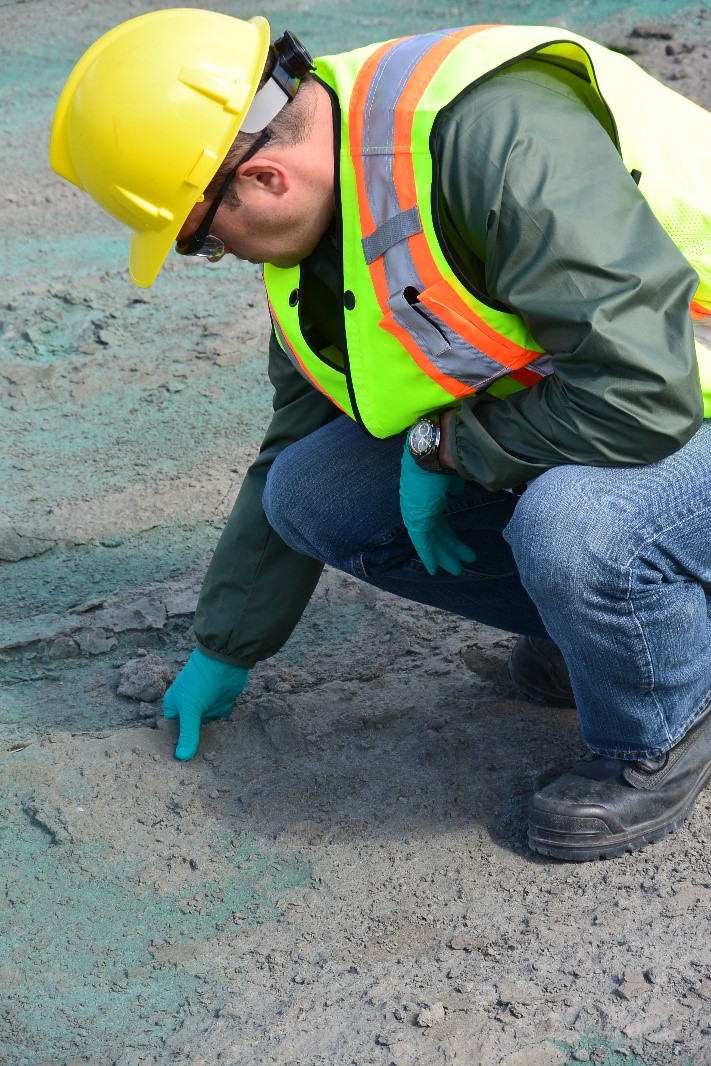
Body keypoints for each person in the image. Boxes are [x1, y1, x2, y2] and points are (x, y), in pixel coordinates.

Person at [50, 9, 711, 862]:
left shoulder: (491, 135)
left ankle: (661, 728)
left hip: (659, 394)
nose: (227, 257)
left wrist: (448, 449)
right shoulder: (320, 231)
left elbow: (640, 390)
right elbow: (293, 443)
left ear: (265, 181)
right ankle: (621, 630)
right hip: (632, 407)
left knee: (574, 527)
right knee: (313, 493)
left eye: (204, 241)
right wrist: (226, 645)